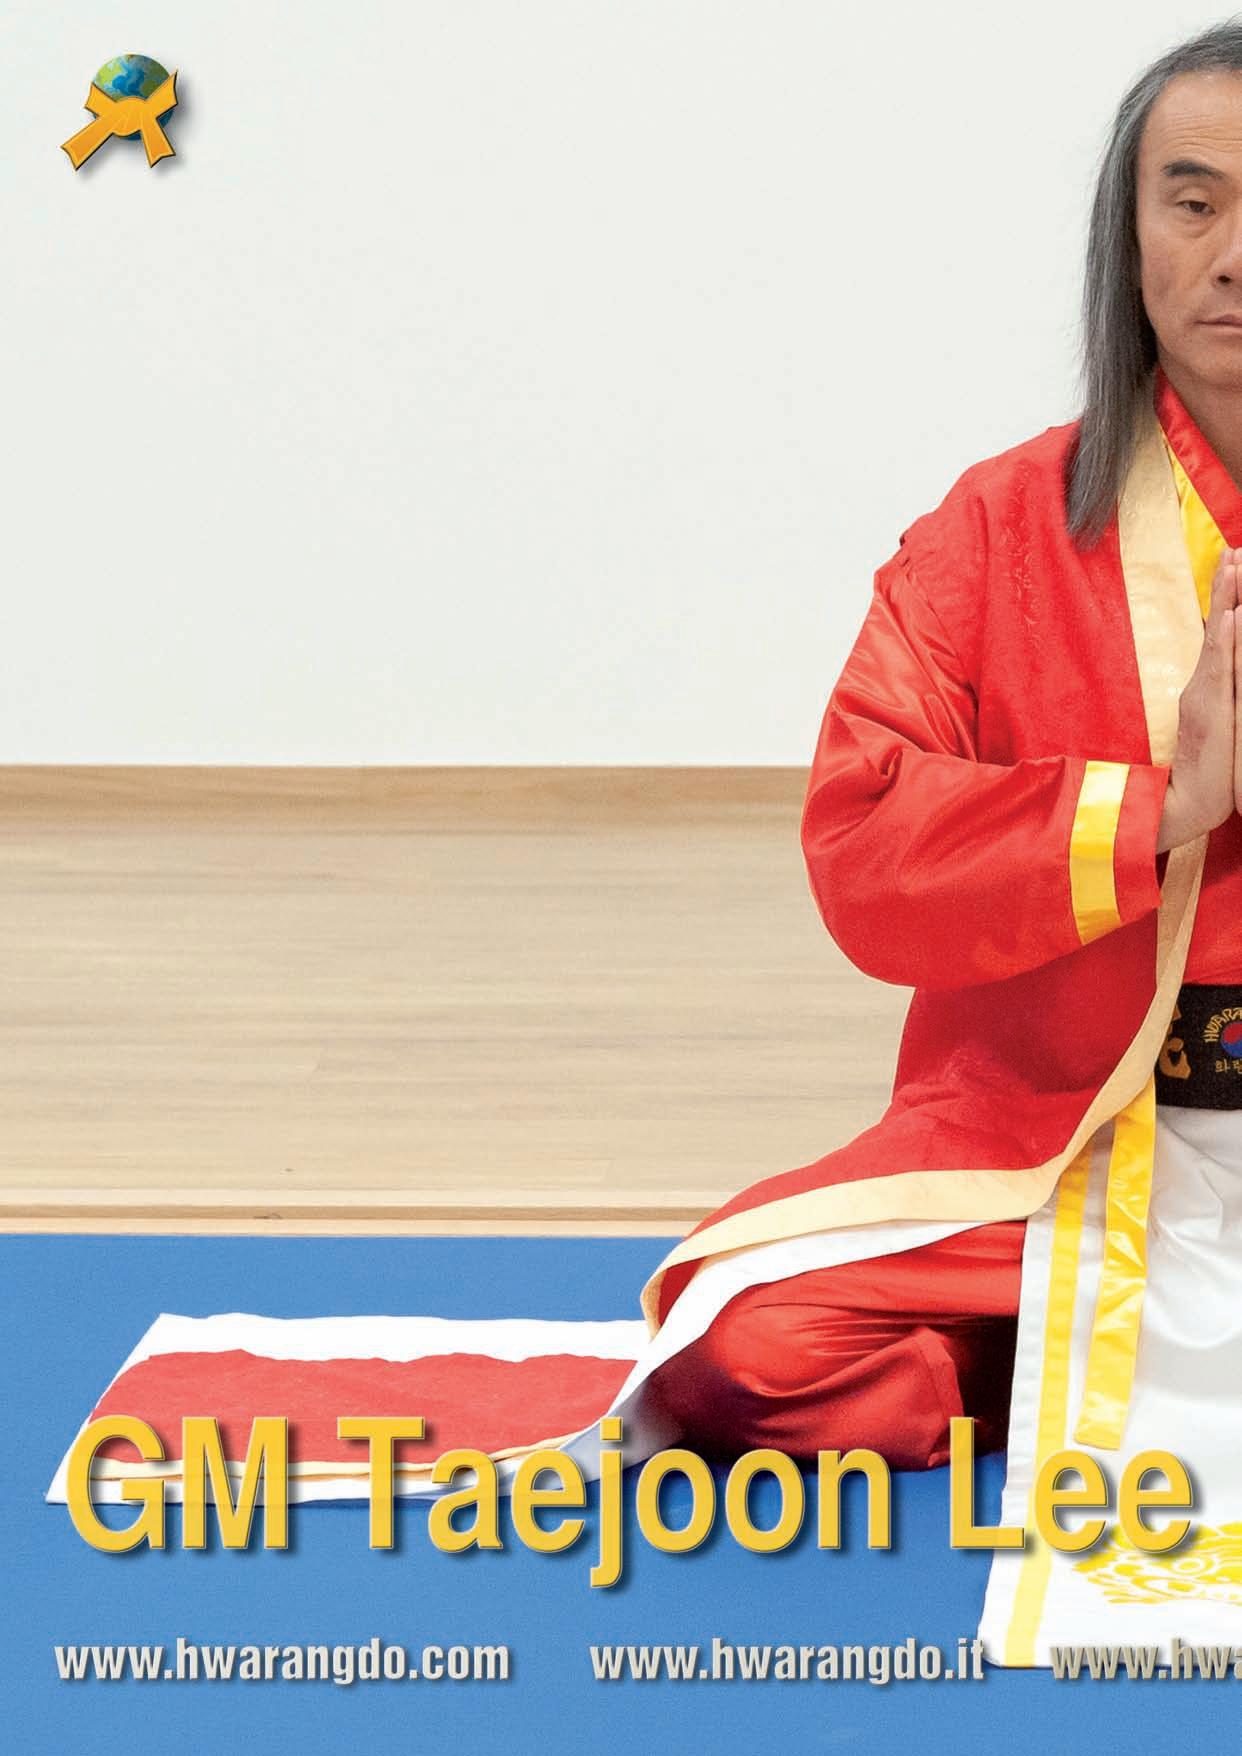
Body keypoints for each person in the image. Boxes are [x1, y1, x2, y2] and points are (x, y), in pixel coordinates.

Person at [638, 20, 1242, 1472]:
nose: (1233, 256)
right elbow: (865, 844)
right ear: (1130, 239)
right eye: (1193, 202)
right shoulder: (998, 527)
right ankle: (1062, 1349)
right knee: (739, 1353)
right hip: (1077, 1135)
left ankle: (1103, 1363)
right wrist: (1167, 805)